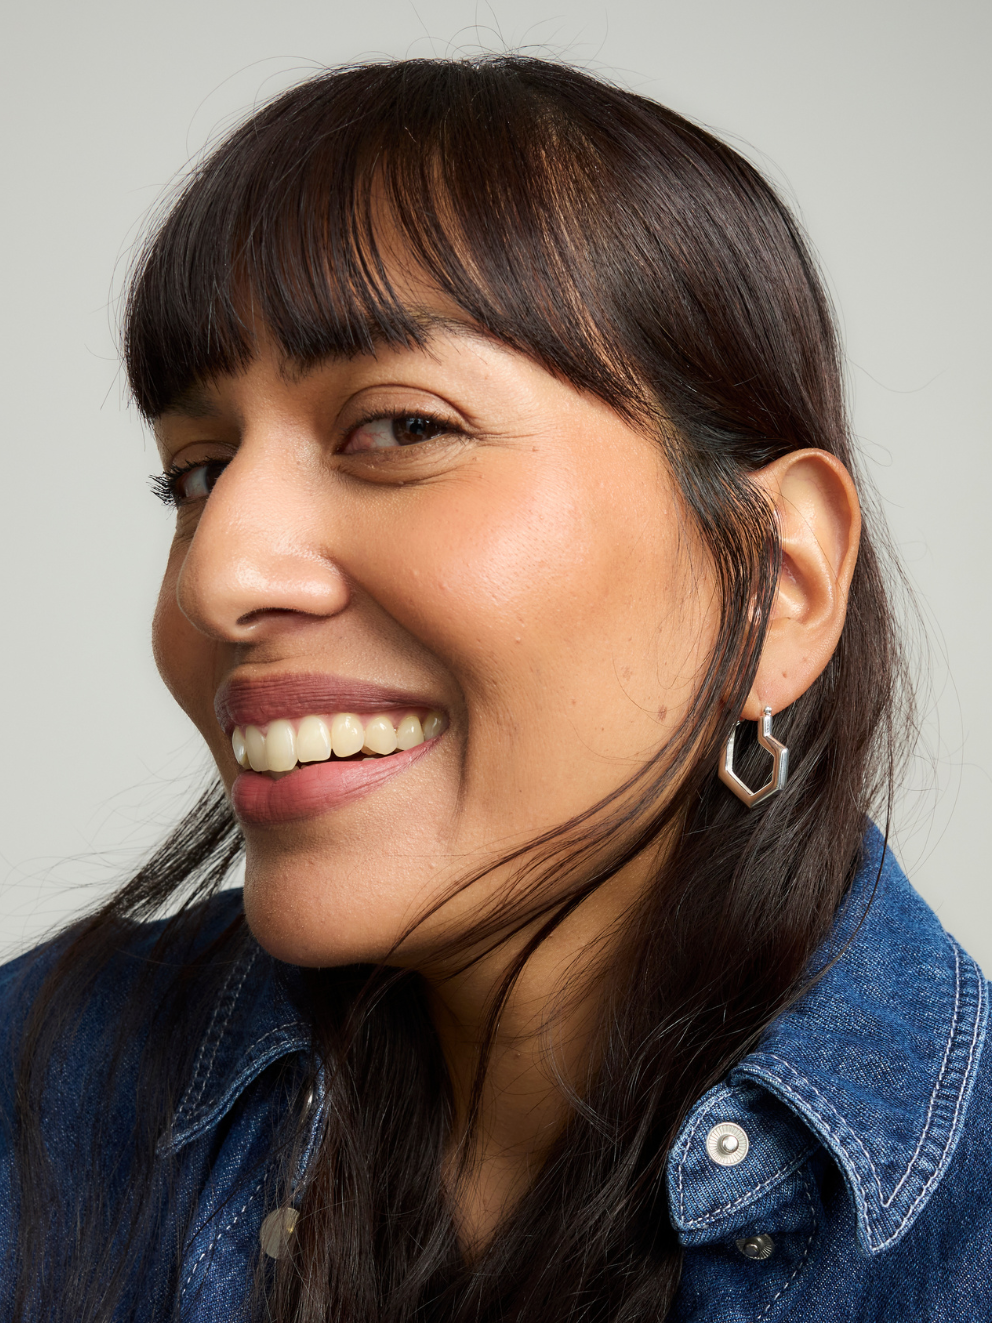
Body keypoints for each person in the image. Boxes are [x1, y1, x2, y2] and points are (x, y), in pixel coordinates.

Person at [1, 54, 989, 1323]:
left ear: (775, 585)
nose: (217, 578)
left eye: (401, 428)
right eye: (196, 473)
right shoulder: (43, 1096)